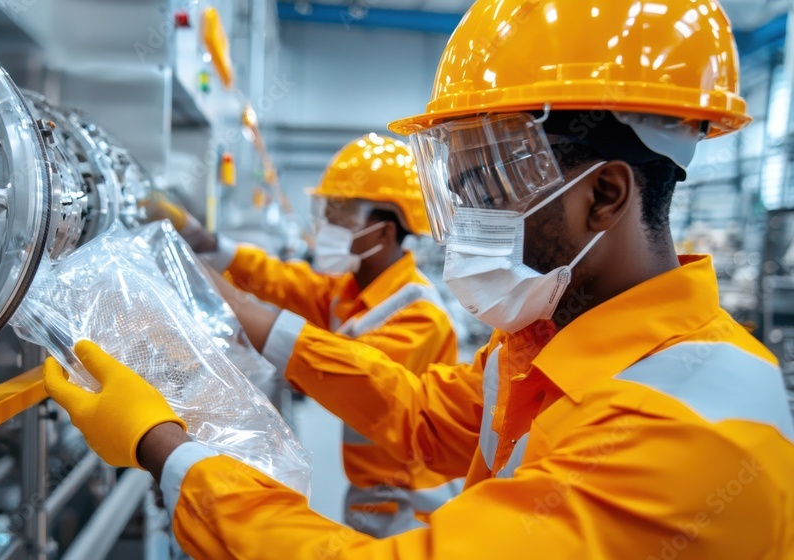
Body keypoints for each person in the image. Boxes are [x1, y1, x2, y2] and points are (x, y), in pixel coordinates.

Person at [43, 1, 794, 557]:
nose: (463, 223)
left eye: (489, 191)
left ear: (605, 195)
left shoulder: (686, 436)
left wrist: (166, 449)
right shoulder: (546, 344)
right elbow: (423, 416)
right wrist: (238, 309)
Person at [152, 134, 463, 537]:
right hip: (371, 488)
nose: (328, 226)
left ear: (384, 232)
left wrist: (228, 298)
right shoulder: (348, 291)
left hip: (418, 504)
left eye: (343, 214)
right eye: (328, 211)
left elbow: (355, 380)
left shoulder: (417, 315)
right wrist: (206, 242)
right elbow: (280, 281)